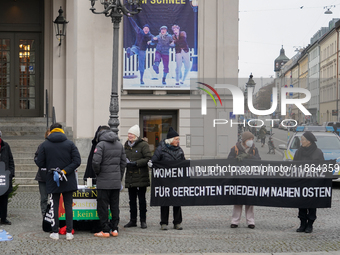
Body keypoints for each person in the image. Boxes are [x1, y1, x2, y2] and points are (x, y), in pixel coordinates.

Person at [36, 123, 81, 240]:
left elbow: (39, 162)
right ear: (62, 131)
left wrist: (51, 167)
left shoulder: (45, 144)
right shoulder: (70, 143)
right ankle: (69, 232)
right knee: (68, 206)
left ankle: (55, 231)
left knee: (54, 205)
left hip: (52, 178)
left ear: (51, 131)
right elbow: (77, 161)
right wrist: (64, 171)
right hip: (68, 178)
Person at [92, 126, 126, 238]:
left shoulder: (100, 145)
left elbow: (95, 162)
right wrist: (119, 177)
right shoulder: (119, 145)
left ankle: (105, 230)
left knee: (103, 206)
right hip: (115, 181)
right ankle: (115, 229)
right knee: (115, 206)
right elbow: (123, 164)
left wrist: (98, 174)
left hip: (103, 182)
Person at [150, 127, 185, 230]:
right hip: (164, 181)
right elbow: (154, 161)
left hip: (176, 180)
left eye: (178, 139)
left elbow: (183, 162)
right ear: (171, 140)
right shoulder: (161, 149)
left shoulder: (180, 150)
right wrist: (151, 164)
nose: (178, 141)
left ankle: (177, 222)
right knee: (164, 201)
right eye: (176, 139)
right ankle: (164, 222)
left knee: (177, 201)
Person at [228, 131, 261, 229]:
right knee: (238, 201)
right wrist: (236, 159)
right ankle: (235, 221)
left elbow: (259, 160)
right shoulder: (235, 149)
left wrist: (249, 157)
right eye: (249, 139)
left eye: (252, 139)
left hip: (250, 179)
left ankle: (250, 221)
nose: (251, 141)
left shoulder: (254, 149)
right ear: (244, 140)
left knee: (250, 201)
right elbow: (228, 161)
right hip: (238, 179)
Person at [293, 131, 324, 233]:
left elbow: (322, 168)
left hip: (313, 184)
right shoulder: (298, 152)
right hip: (301, 182)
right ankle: (302, 223)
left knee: (311, 204)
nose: (301, 141)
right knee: (301, 204)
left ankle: (310, 224)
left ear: (309, 141)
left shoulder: (318, 152)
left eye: (302, 140)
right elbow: (294, 166)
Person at [124, 125, 151, 229]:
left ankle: (143, 220)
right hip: (130, 176)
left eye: (131, 134)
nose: (129, 135)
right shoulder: (126, 145)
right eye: (129, 134)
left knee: (142, 200)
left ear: (136, 135)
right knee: (132, 200)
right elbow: (124, 156)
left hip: (141, 176)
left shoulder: (143, 145)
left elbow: (148, 158)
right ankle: (133, 220)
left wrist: (136, 163)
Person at [126, 17, 154, 85]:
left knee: (141, 64)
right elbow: (134, 24)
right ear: (143, 29)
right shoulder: (139, 31)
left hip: (142, 50)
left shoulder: (150, 36)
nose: (146, 30)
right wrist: (129, 17)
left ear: (149, 30)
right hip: (136, 46)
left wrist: (151, 42)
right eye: (145, 29)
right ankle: (129, 54)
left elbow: (154, 41)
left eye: (147, 29)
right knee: (133, 49)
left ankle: (141, 79)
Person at [34, 129, 50, 217]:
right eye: (48, 135)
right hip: (42, 176)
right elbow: (36, 157)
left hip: (52, 176)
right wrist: (41, 164)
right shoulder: (42, 146)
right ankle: (44, 214)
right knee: (44, 198)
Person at [0, 130, 15, 225]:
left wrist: (10, 173)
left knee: (4, 198)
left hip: (4, 176)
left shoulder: (6, 146)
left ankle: (3, 218)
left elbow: (11, 160)